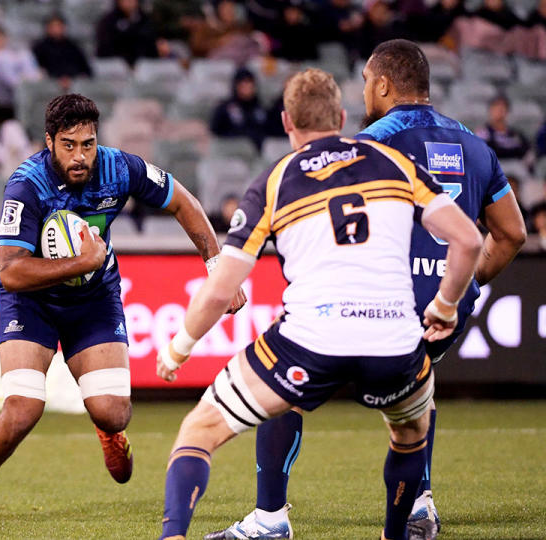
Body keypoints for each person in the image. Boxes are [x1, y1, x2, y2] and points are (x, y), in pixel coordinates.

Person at [205, 40, 526, 540]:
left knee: (282, 384)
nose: (363, 93)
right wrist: (461, 285)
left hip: (383, 299)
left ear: (382, 84)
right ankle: (419, 506)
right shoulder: (475, 143)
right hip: (445, 305)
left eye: (364, 83)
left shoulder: (372, 143)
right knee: (417, 389)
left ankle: (270, 518)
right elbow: (512, 234)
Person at [0, 93, 232, 522]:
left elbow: (182, 200)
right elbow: (11, 273)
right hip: (32, 301)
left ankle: (108, 430)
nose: (80, 156)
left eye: (88, 144)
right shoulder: (27, 185)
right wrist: (83, 261)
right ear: (50, 142)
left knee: (114, 413)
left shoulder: (120, 167)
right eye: (69, 145)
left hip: (94, 300)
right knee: (23, 410)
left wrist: (217, 265)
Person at [210, 68, 270, 150]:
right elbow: (216, 131)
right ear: (236, 86)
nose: (247, 87)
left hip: (257, 154)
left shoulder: (261, 109)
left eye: (249, 83)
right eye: (243, 84)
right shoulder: (225, 108)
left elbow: (268, 130)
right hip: (232, 151)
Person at [31, 13, 93, 91]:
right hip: (50, 84)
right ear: (47, 28)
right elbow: (37, 69)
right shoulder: (39, 48)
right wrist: (57, 79)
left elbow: (85, 69)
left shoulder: (73, 46)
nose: (56, 29)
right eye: (53, 26)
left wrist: (71, 78)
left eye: (59, 26)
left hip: (74, 82)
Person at [95, 0, 159, 67]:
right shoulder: (108, 21)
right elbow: (105, 46)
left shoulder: (145, 20)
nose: (129, 2)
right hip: (114, 65)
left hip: (143, 65)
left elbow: (151, 42)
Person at [475, 95, 531, 161]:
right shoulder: (482, 134)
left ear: (507, 111)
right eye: (496, 106)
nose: (500, 109)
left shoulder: (517, 135)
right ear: (490, 110)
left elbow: (526, 151)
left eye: (503, 106)